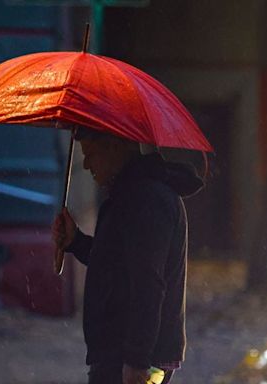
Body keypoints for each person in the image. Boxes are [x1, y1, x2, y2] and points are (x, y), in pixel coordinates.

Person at [52, 127, 204, 384]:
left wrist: (136, 360)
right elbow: (115, 264)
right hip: (118, 352)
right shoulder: (129, 195)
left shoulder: (147, 200)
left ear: (114, 147)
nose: (87, 165)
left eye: (91, 154)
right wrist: (75, 241)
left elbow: (148, 284)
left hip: (132, 358)